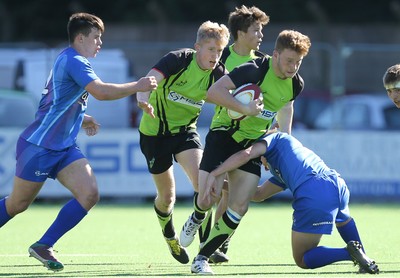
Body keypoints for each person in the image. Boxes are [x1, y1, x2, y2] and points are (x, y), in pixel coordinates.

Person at [0, 12, 157, 272]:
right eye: (96, 37)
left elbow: (59, 99)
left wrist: (82, 117)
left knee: (89, 193)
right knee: (17, 204)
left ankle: (44, 245)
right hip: (39, 146)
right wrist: (137, 85)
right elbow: (102, 92)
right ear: (80, 37)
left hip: (63, 147)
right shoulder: (74, 60)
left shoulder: (72, 60)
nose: (100, 43)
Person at [179, 29, 311, 274]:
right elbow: (213, 93)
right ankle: (198, 216)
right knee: (208, 197)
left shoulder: (296, 84)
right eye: (289, 61)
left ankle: (202, 259)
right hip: (224, 135)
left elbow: (285, 108)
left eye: (298, 62)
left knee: (240, 205)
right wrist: (245, 108)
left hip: (251, 144)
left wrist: (282, 140)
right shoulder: (254, 69)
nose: (293, 67)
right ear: (275, 55)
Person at [204, 130, 380, 274]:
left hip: (313, 191)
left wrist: (215, 173)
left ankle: (349, 254)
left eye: (259, 161)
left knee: (302, 258)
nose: (262, 165)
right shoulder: (283, 163)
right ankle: (365, 259)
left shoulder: (273, 138)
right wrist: (224, 185)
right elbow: (258, 194)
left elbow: (247, 153)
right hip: (337, 184)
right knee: (344, 220)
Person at [136, 21, 230, 264]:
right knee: (167, 198)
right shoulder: (178, 59)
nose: (215, 56)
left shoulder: (218, 74)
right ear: (197, 47)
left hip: (185, 133)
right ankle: (170, 237)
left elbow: (236, 100)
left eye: (219, 51)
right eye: (211, 49)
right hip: (154, 134)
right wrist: (142, 99)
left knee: (205, 185)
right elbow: (149, 79)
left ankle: (204, 249)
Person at [209, 4, 270, 264]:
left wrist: (274, 133)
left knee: (235, 196)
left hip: (252, 135)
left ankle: (217, 243)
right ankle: (211, 243)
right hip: (223, 131)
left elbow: (275, 102)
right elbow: (209, 93)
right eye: (256, 30)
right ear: (241, 33)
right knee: (218, 192)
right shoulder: (221, 59)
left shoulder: (264, 63)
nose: (261, 35)